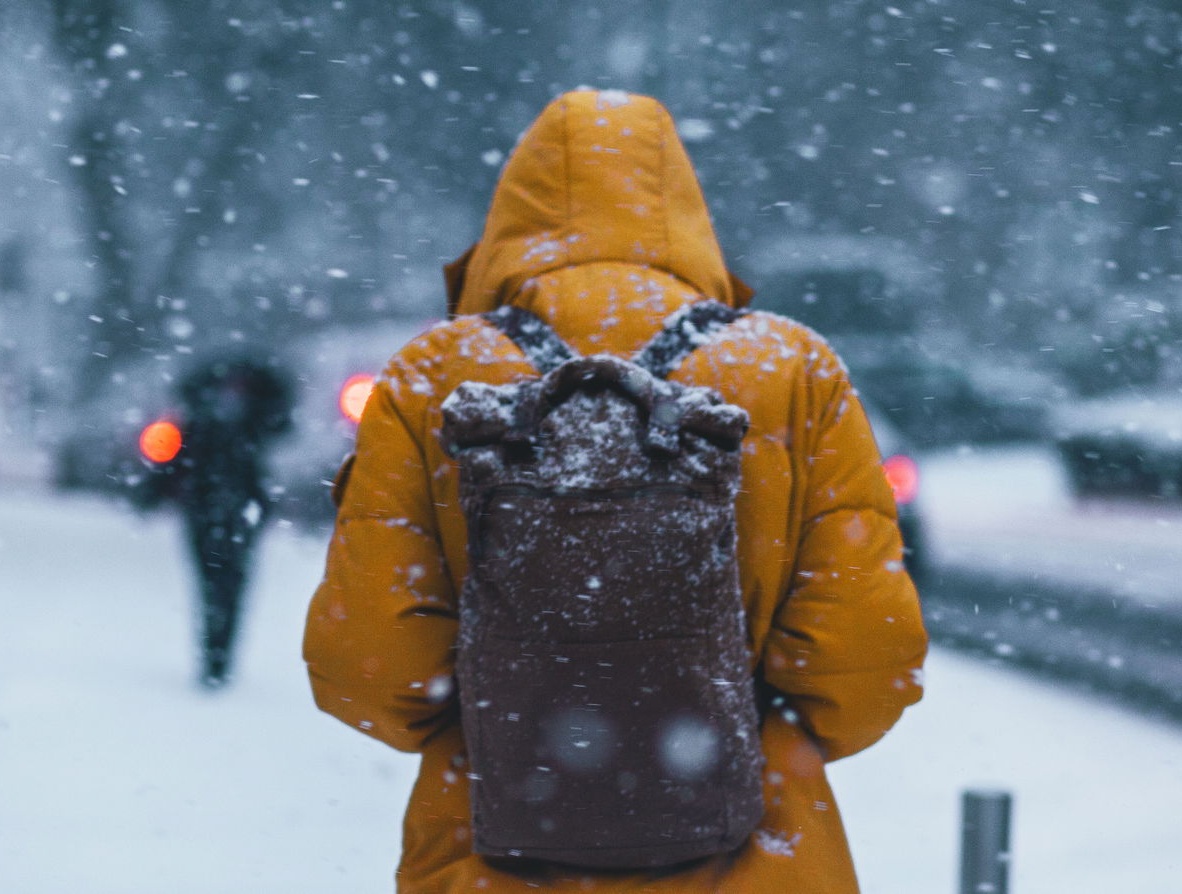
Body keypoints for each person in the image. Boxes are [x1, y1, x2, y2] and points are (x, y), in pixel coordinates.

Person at [305, 90, 928, 891]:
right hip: (759, 861)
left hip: (487, 857)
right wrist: (727, 732)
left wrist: (517, 719)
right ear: (684, 210)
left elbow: (368, 670)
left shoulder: (434, 377)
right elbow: (866, 665)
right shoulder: (790, 371)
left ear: (509, 219)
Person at [138, 356, 292, 689]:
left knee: (225, 584)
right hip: (217, 509)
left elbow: (172, 459)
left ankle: (218, 656)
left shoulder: (239, 418)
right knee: (218, 584)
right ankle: (215, 656)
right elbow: (172, 458)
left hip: (225, 510)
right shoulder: (218, 420)